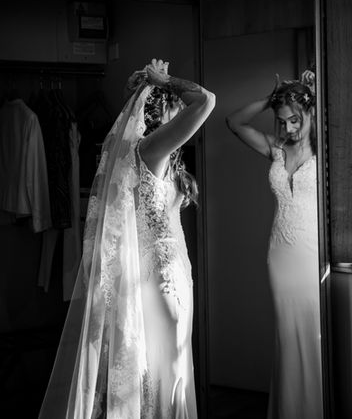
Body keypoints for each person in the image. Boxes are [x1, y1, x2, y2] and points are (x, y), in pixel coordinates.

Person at [38, 58, 215, 419]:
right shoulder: (152, 150)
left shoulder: (145, 153)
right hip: (164, 282)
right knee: (168, 377)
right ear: (161, 109)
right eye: (174, 106)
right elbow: (207, 100)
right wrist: (163, 79)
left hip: (163, 277)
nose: (180, 111)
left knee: (159, 373)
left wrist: (148, 86)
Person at [226, 70, 322, 419]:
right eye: (281, 122)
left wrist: (313, 90)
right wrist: (272, 98)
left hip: (314, 255)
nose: (289, 129)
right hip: (281, 254)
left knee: (316, 336)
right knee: (288, 335)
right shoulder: (276, 149)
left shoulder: (327, 151)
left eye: (295, 120)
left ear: (310, 113)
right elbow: (233, 122)